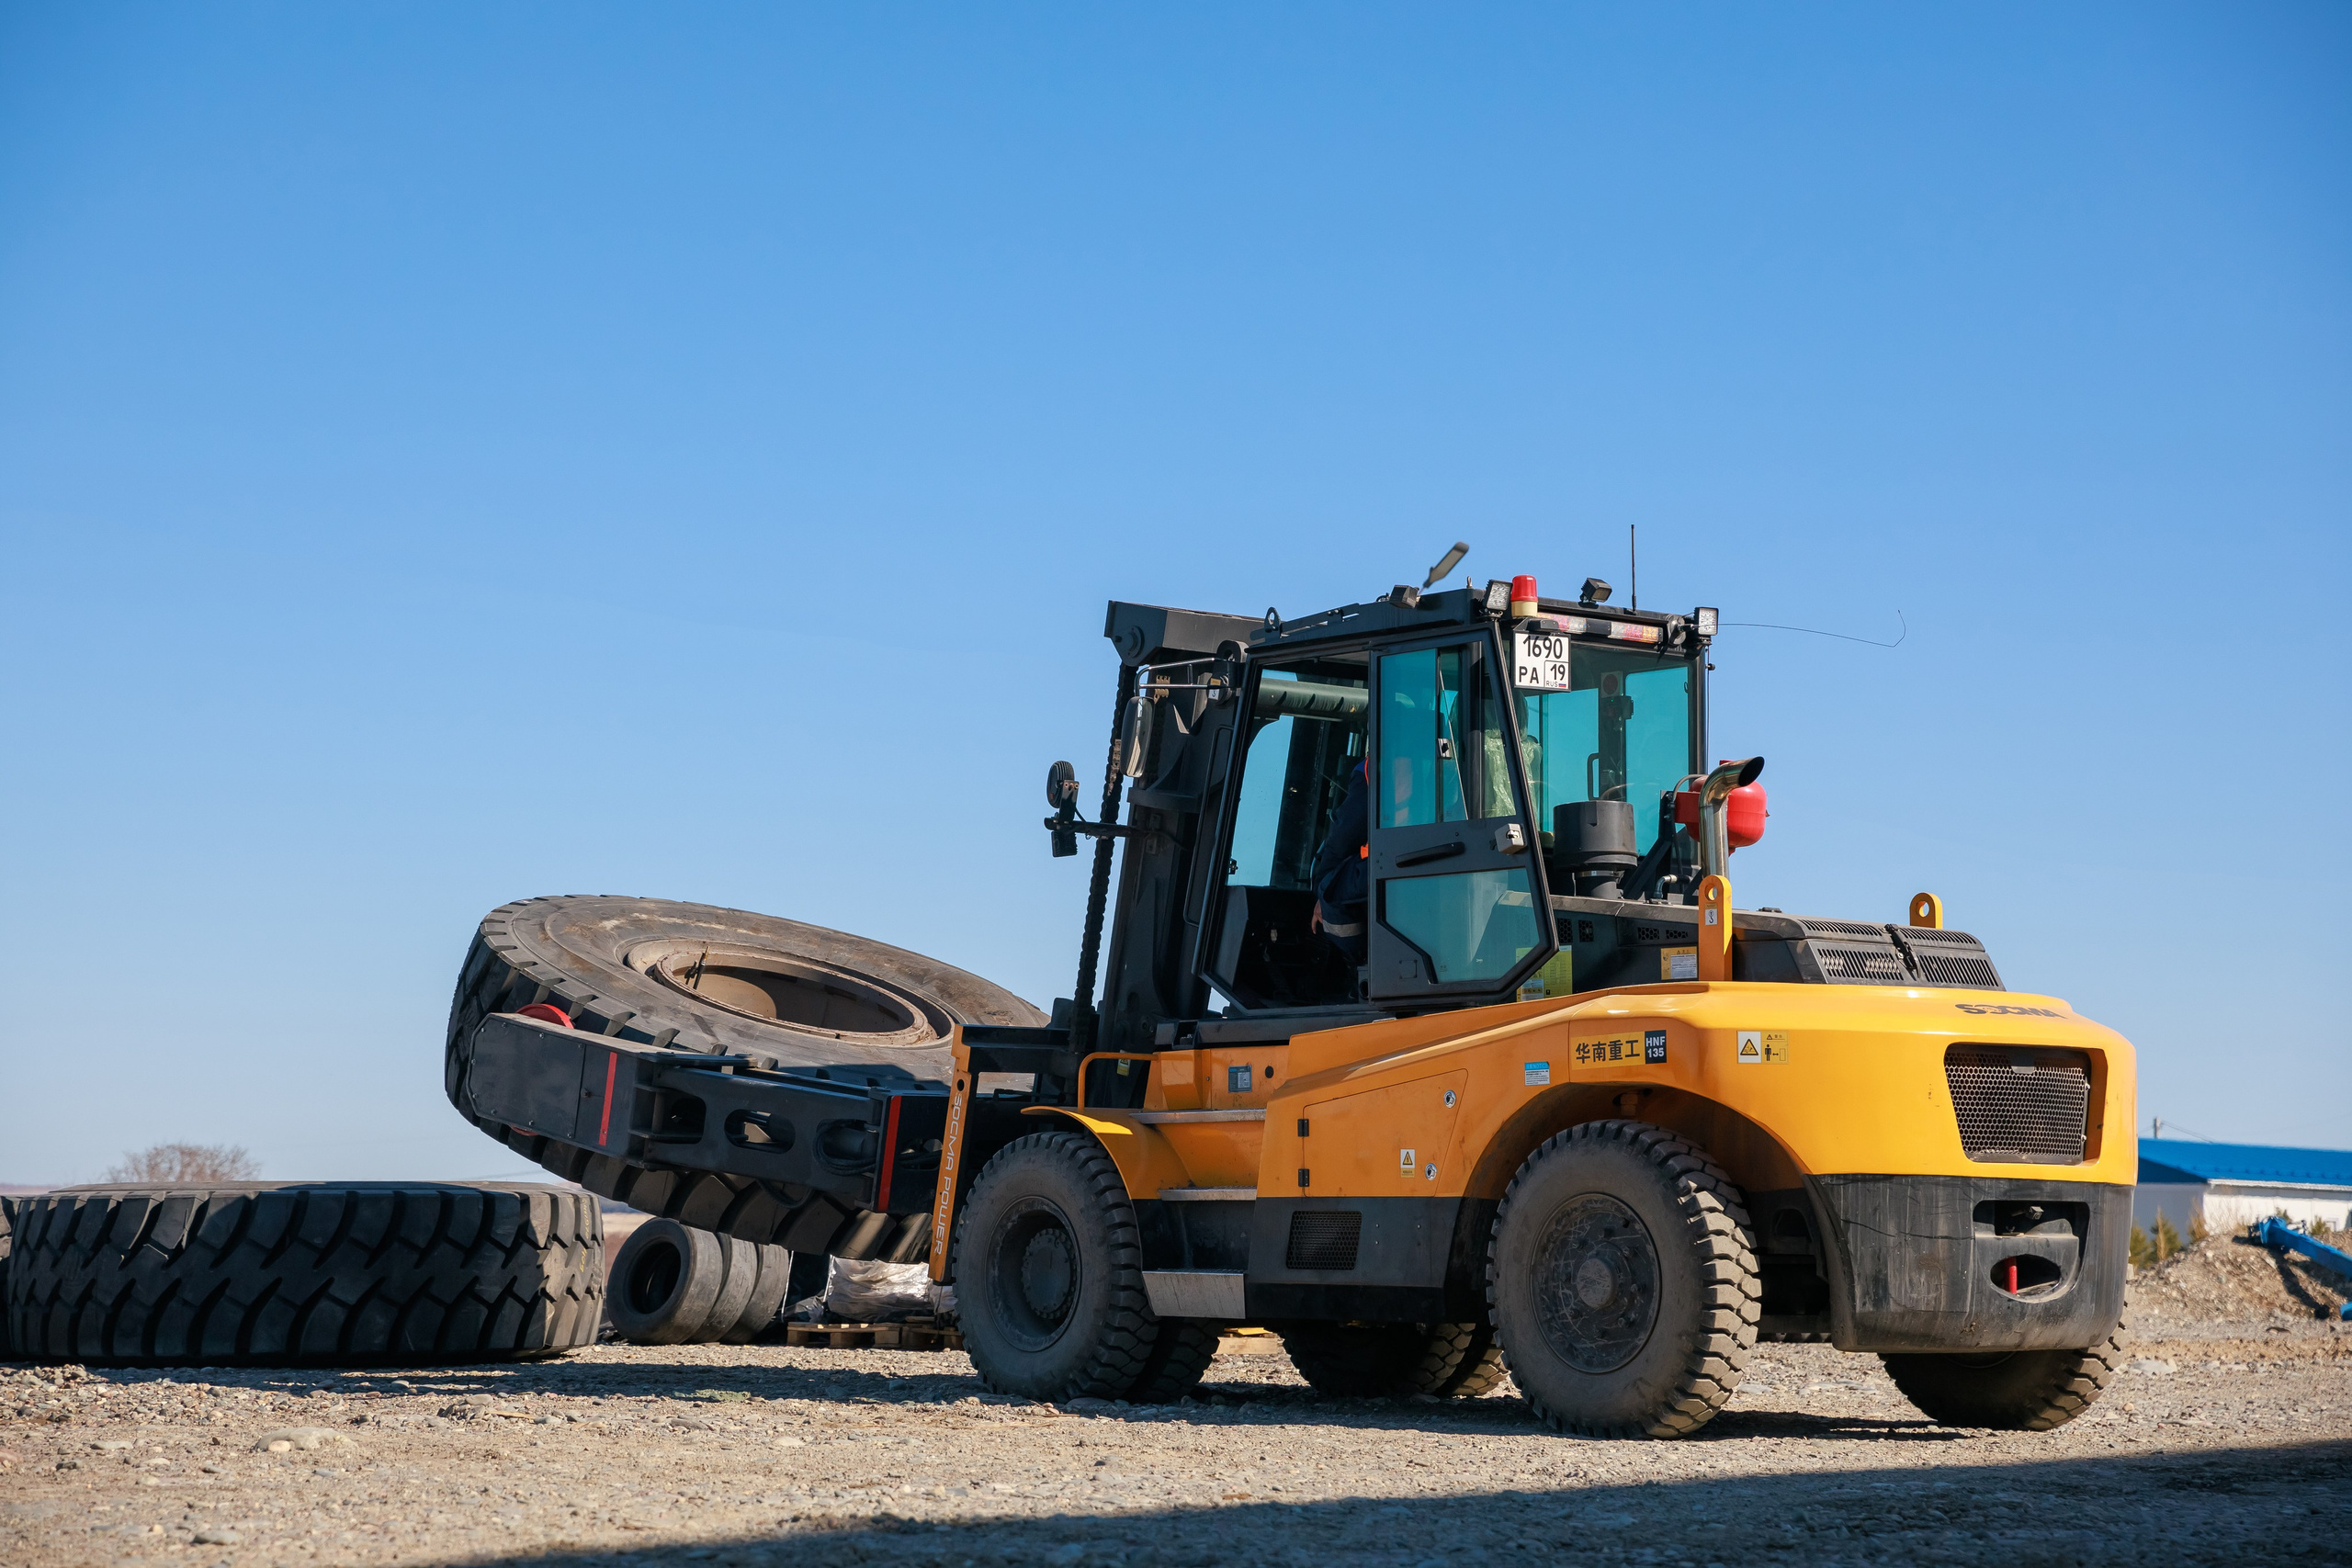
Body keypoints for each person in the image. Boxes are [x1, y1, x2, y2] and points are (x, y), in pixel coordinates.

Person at [1308, 756, 1372, 966]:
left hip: (1407, 856)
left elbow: (1345, 837)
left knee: (1332, 897)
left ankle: (1363, 966)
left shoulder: (1371, 770)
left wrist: (1323, 889)